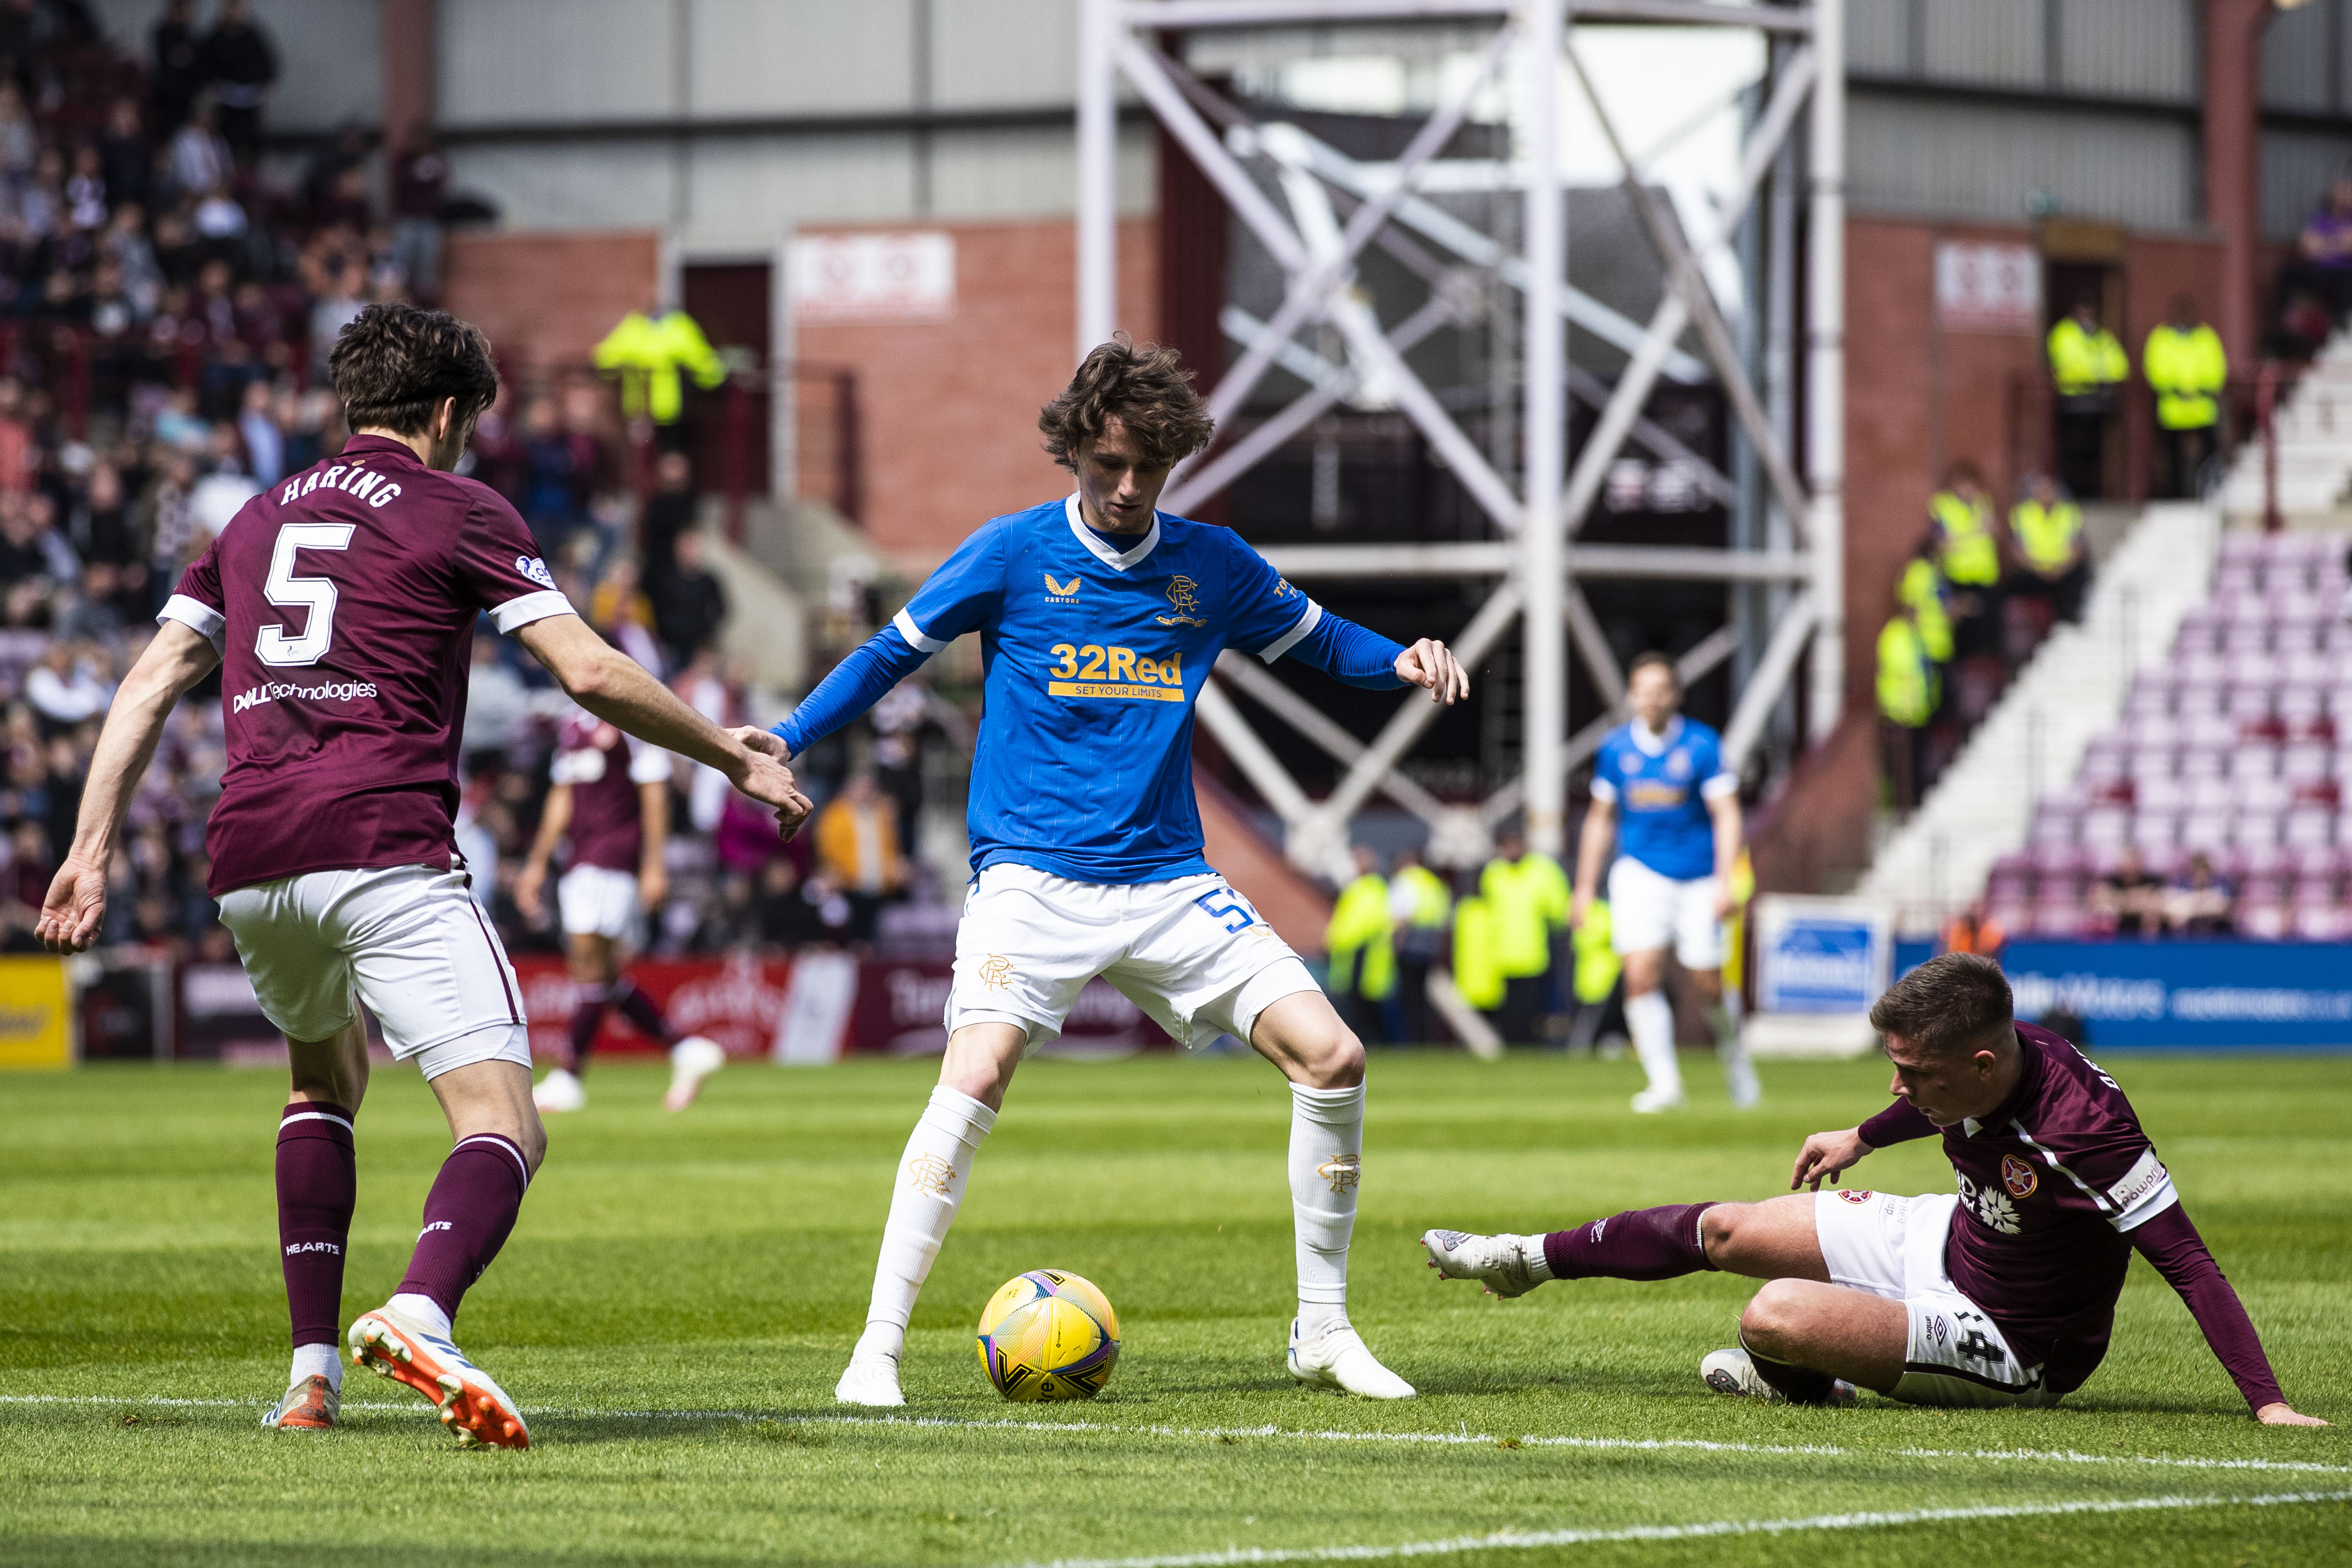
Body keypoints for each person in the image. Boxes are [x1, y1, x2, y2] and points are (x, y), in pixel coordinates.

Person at [35, 303, 809, 1447]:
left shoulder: (250, 519)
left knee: (319, 1086)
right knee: (505, 1121)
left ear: (354, 402)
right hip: (380, 842)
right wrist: (729, 751)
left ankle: (309, 1382)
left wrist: (87, 852)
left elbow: (148, 683)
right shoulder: (458, 508)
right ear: (449, 413)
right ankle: (422, 1314)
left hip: (250, 859)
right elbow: (588, 671)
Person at [750, 337, 1468, 1408]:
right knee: (976, 1072)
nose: (1128, 488)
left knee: (1333, 1057)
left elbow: (1316, 640)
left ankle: (1321, 1329)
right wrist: (789, 737)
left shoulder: (1210, 565)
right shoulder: (1009, 553)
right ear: (1073, 450)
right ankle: (875, 1353)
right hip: (1029, 880)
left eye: (1149, 468)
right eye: (1108, 465)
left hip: (1166, 880)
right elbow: (889, 652)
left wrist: (1396, 657)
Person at [1421, 954, 2326, 1425]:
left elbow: (2191, 1263)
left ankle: (1815, 1389)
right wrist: (1860, 1136)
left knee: (1773, 1316)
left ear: (1978, 1062)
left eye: (1913, 1072)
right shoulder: (1988, 1061)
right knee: (1730, 1229)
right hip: (1951, 1239)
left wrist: (2268, 1402)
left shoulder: (2087, 1130)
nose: (1899, 1089)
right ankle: (1524, 1260)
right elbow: (1940, 1110)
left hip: (2012, 1341)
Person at [515, 706, 728, 1118]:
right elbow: (562, 795)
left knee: (589, 963)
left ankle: (570, 1076)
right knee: (601, 971)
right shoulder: (573, 725)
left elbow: (654, 792)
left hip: (613, 858)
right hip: (579, 859)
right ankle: (684, 1048)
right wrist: (538, 861)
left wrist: (654, 865)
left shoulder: (629, 719)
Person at [1574, 654, 1758, 1112]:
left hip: (1697, 878)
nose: (1652, 698)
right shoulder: (1616, 749)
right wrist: (1583, 887)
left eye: (1661, 689)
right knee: (1639, 975)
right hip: (1639, 874)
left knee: (1707, 985)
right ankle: (1664, 1083)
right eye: (1643, 689)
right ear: (1632, 696)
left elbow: (1727, 814)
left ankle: (1735, 1057)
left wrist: (1724, 881)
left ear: (1675, 695)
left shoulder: (1701, 745)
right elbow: (1600, 820)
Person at [1479, 828, 1568, 1048]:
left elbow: (1559, 911)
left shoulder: (1543, 871)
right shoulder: (1494, 873)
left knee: (1532, 1012)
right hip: (1501, 957)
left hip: (1534, 955)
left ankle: (1532, 1049)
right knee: (1509, 1013)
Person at [2144, 295, 2226, 499]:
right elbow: (2154, 368)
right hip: (2173, 409)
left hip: (2202, 408)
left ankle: (2208, 492)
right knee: (2172, 458)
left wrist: (2200, 388)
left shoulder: (2206, 337)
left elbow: (2218, 368)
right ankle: (2176, 496)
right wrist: (2174, 388)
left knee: (2210, 452)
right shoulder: (2161, 338)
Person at [2047, 297, 2128, 500]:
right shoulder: (2063, 334)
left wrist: (2101, 378)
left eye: (2091, 313)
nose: (2087, 318)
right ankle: (2073, 493)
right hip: (2073, 402)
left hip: (2097, 405)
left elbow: (2120, 366)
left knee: (2094, 453)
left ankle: (2091, 493)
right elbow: (2065, 365)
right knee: (2073, 452)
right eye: (2084, 313)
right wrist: (2095, 377)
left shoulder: (2102, 337)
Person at [812, 771, 905, 941]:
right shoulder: (835, 815)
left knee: (874, 937)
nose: (865, 792)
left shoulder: (880, 814)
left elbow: (891, 847)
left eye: (869, 788)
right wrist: (832, 872)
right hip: (847, 884)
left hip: (878, 884)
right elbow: (827, 849)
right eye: (861, 788)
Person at [1926, 464, 2003, 661]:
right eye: (1962, 484)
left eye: (1971, 485)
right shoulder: (1943, 506)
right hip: (1958, 577)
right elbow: (1942, 544)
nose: (1967, 489)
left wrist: (1990, 528)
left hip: (1985, 577)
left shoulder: (1983, 503)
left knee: (1987, 632)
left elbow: (1996, 534)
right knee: (1962, 634)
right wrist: (1975, 531)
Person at [1325, 845, 1396, 1047]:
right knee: (1353, 1001)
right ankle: (1361, 1040)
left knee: (1367, 1002)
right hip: (1348, 950)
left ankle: (1377, 1041)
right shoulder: (1355, 887)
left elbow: (1375, 919)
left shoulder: (1376, 887)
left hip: (1366, 949)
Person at [1876, 606, 1938, 813]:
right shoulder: (1896, 634)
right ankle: (1899, 808)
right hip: (1898, 713)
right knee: (1899, 766)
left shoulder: (1913, 635)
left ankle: (1910, 805)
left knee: (1914, 763)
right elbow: (1899, 671)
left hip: (1916, 713)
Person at [1387, 846, 1451, 1045]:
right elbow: (1444, 918)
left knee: (1410, 997)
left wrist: (1396, 944)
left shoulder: (1404, 881)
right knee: (1424, 998)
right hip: (1430, 946)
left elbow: (1402, 916)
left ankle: (1413, 1040)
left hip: (1411, 944)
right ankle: (1424, 1039)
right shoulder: (1432, 882)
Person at [2008, 471, 2087, 626]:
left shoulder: (2069, 513)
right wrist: (2042, 571)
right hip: (2033, 571)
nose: (2046, 494)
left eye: (2049, 490)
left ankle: (2069, 622)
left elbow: (2077, 549)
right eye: (2041, 490)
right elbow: (2017, 552)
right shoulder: (2022, 514)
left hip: (2062, 571)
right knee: (2010, 587)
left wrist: (2059, 569)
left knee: (2077, 577)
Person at [2093, 844, 2166, 936]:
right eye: (2127, 864)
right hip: (2120, 921)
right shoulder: (2111, 881)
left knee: (2152, 914)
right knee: (2107, 914)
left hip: (2142, 922)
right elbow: (2102, 900)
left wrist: (2121, 899)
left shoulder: (2154, 880)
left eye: (2134, 863)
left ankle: (2150, 947)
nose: (2130, 868)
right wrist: (2138, 898)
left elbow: (2156, 902)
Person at [2165, 851, 2234, 936]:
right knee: (2176, 921)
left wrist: (2190, 911)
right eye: (2198, 874)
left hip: (2216, 932)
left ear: (2210, 874)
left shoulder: (2220, 887)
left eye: (2204, 874)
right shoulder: (2182, 888)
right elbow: (2170, 909)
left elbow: (2222, 910)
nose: (2201, 878)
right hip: (2188, 932)